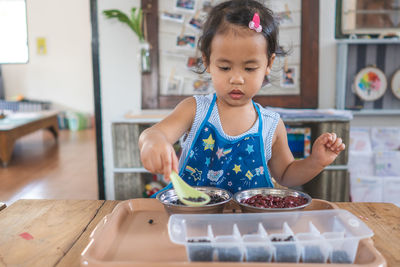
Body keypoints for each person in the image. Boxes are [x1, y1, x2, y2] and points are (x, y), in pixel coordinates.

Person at [139, 0, 345, 196]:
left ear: (269, 63)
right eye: (225, 67)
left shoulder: (271, 125)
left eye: (249, 68)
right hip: (191, 220)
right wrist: (153, 142)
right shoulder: (194, 109)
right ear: (207, 61)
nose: (236, 79)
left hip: (250, 225)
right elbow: (155, 134)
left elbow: (287, 174)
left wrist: (316, 161)